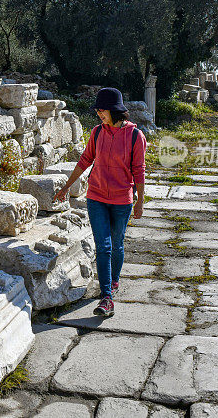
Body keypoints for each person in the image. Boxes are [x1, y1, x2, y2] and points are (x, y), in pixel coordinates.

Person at [53, 87, 147, 317]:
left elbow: (139, 171)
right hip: (96, 197)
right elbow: (85, 160)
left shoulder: (136, 136)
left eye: (102, 110)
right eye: (98, 110)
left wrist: (140, 202)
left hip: (122, 200)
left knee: (117, 244)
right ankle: (106, 297)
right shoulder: (97, 132)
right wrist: (67, 185)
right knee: (103, 246)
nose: (99, 114)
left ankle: (114, 281)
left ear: (114, 110)